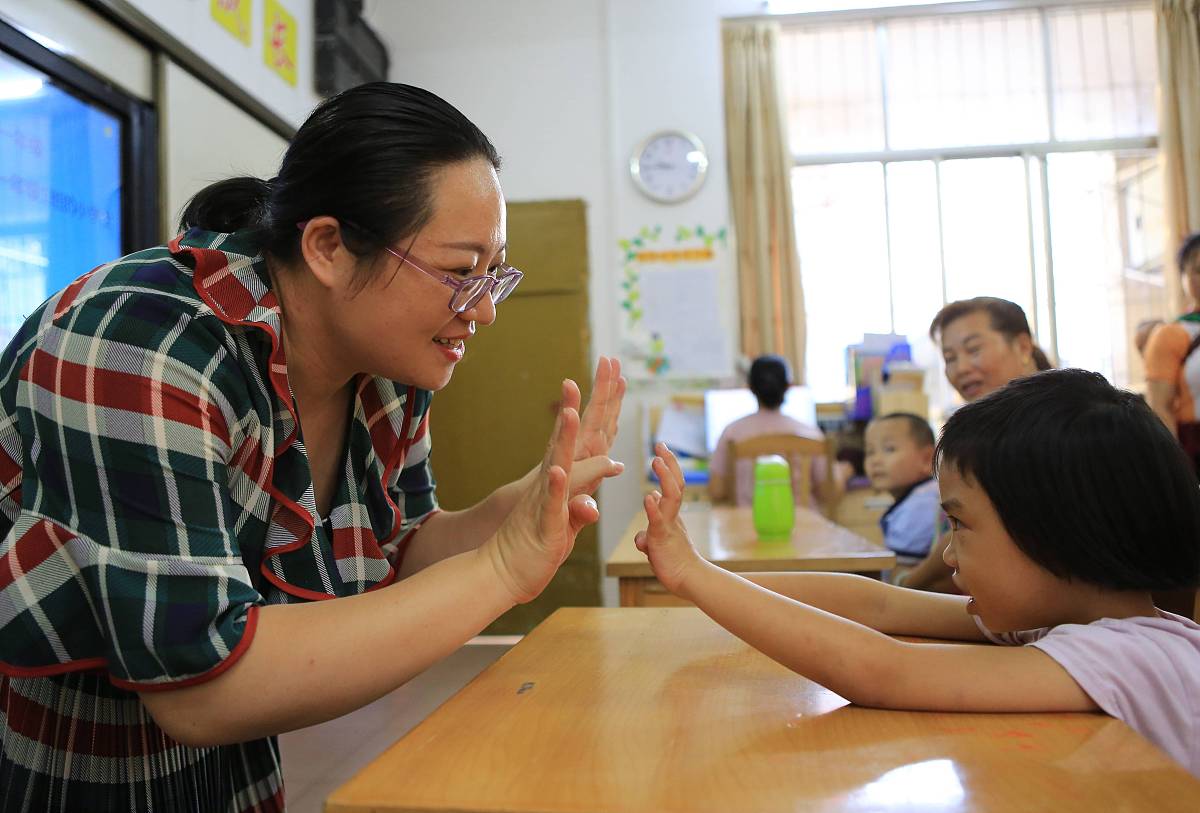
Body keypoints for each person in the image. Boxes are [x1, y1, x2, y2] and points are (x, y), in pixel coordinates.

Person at [0, 83, 626, 812]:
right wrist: (501, 568)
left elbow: (402, 556)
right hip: (65, 773)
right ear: (327, 247)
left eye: (494, 273)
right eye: (459, 272)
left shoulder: (387, 370)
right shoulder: (142, 343)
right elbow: (201, 689)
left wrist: (526, 507)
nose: (482, 308)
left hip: (236, 779)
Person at [636, 369, 1200, 777]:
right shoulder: (1059, 617)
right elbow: (877, 605)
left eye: (960, 524)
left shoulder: (1129, 654)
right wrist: (699, 576)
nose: (948, 556)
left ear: (1062, 534)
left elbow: (886, 672)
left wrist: (694, 576)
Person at [899, 296, 1052, 593]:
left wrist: (905, 586)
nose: (961, 368)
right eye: (950, 358)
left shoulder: (1054, 423)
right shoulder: (989, 428)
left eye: (973, 349)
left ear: (1022, 346)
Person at [708, 355, 830, 508]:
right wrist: (844, 473)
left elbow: (716, 490)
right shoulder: (810, 433)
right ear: (788, 386)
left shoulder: (732, 432)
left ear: (750, 387)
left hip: (750, 527)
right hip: (803, 527)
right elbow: (826, 492)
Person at [1144, 232, 1200, 466]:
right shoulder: (1170, 335)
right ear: (1184, 277)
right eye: (1198, 270)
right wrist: (1177, 469)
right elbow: (1160, 409)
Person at [863, 412, 938, 566]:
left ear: (926, 459)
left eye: (889, 449)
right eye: (870, 452)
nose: (875, 460)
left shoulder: (920, 507)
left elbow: (900, 570)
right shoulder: (920, 496)